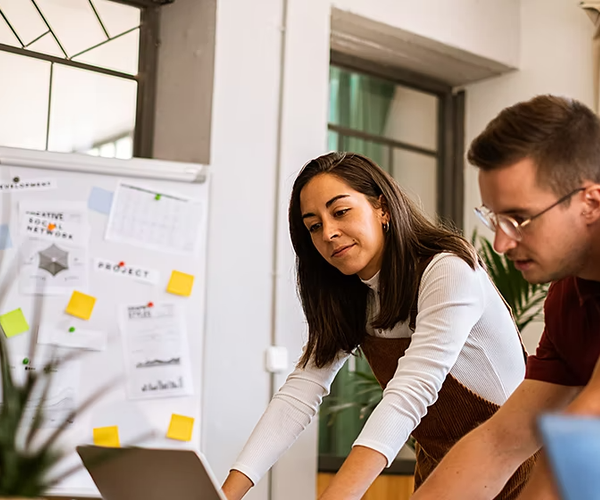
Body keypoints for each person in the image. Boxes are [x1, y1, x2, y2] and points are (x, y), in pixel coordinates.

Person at [412, 94, 600, 500]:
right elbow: (501, 441)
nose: (502, 243)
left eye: (519, 219)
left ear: (590, 202)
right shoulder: (567, 300)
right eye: (494, 218)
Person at [221, 152, 535, 500]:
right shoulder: (352, 296)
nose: (329, 232)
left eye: (340, 212)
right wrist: (225, 494)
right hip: (442, 466)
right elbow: (299, 395)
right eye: (313, 225)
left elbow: (410, 391)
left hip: (520, 466)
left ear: (381, 208)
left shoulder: (447, 270)